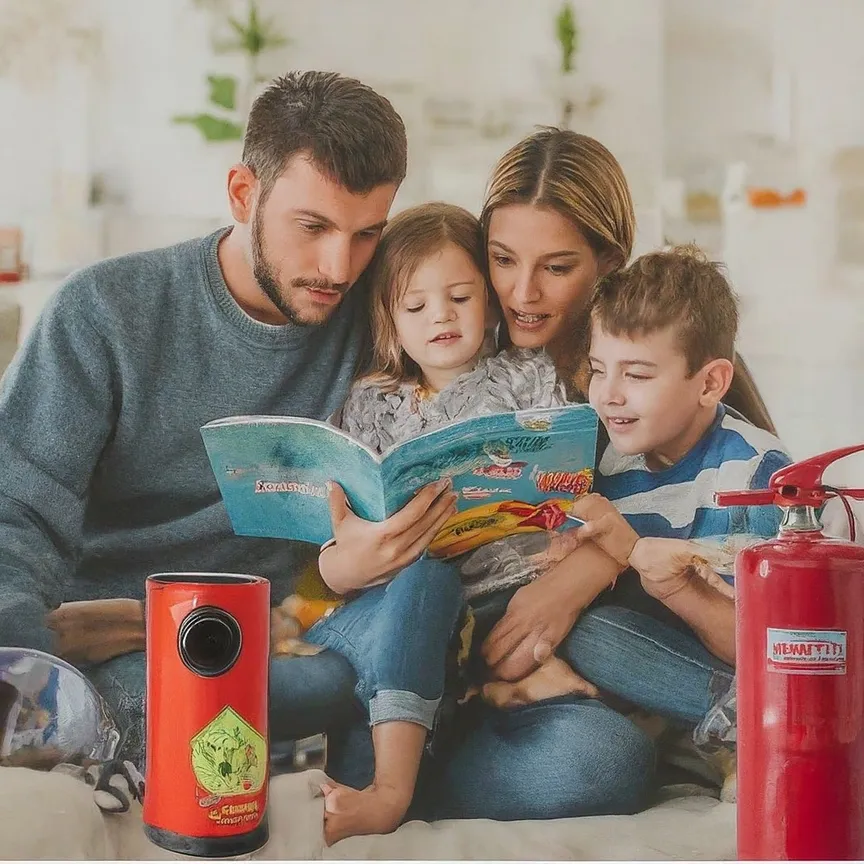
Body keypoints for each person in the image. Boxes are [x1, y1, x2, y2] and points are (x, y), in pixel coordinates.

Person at [0, 70, 459, 768]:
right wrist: (24, 662)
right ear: (244, 193)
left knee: (577, 760)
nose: (338, 266)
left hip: (293, 634)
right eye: (313, 227)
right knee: (179, 694)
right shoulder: (105, 311)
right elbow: (15, 511)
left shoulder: (386, 312)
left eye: (367, 234)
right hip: (131, 644)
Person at [321, 128, 780, 822]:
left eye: (557, 268)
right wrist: (342, 564)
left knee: (604, 762)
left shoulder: (661, 389)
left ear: (607, 263)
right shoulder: (454, 347)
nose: (521, 293)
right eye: (501, 261)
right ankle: (406, 752)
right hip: (439, 643)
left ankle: (413, 764)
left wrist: (587, 571)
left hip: (569, 684)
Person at [307, 202, 590, 843]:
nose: (441, 315)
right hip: (404, 610)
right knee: (421, 584)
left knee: (601, 754)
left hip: (507, 602)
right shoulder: (372, 402)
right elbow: (343, 524)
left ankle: (459, 716)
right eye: (416, 306)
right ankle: (393, 776)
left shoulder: (527, 377)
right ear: (389, 320)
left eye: (460, 296)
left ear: (488, 302)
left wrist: (567, 526)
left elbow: (567, 474)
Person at [554, 246, 791, 742]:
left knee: (594, 636)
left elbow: (763, 644)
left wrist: (645, 561)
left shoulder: (753, 478)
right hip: (662, 662)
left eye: (637, 375)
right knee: (590, 630)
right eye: (599, 369)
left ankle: (757, 725)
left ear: (710, 383)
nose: (608, 394)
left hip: (747, 666)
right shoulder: (607, 464)